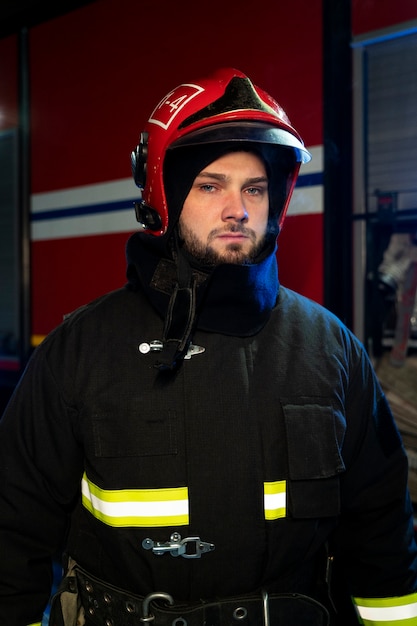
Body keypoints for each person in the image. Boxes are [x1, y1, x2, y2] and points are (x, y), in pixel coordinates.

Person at [0, 67, 417, 626]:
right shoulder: (78, 351)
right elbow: (11, 541)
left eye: (254, 188)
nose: (237, 209)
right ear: (164, 193)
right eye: (210, 185)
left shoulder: (331, 350)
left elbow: (383, 541)